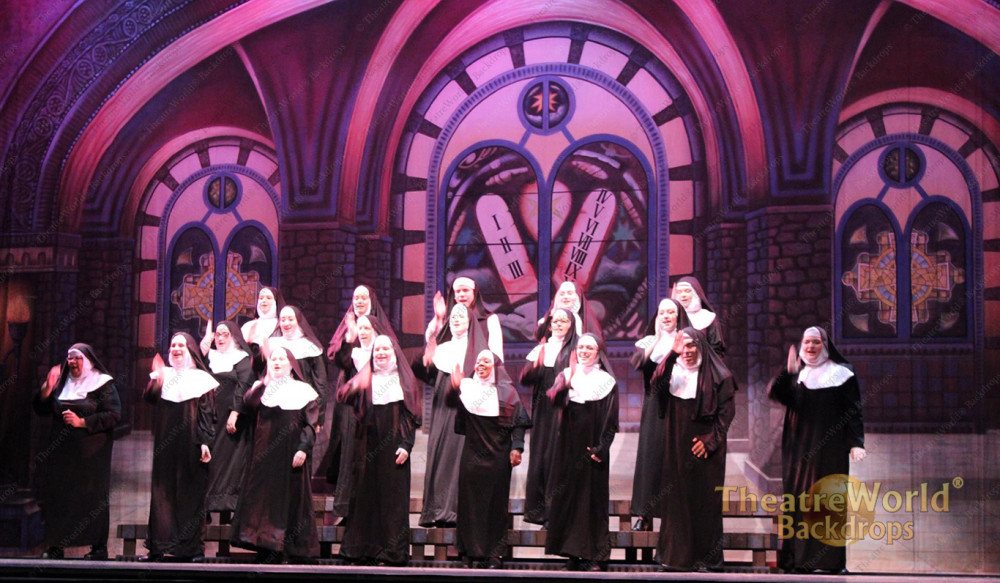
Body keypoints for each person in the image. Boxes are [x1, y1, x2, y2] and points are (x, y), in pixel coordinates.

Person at [768, 326, 865, 575]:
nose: (810, 347)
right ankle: (798, 560)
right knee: (799, 501)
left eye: (816, 342)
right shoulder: (798, 374)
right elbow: (777, 395)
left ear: (825, 345)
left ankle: (830, 561)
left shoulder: (842, 373)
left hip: (831, 449)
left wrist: (856, 442)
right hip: (798, 449)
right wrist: (787, 373)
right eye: (806, 342)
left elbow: (853, 411)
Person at [652, 327, 736, 572]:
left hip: (706, 448)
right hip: (676, 444)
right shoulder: (673, 372)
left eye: (692, 346)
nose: (687, 351)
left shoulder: (720, 375)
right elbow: (656, 384)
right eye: (683, 346)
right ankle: (675, 557)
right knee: (675, 500)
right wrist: (671, 354)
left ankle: (707, 560)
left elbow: (726, 414)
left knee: (704, 503)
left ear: (702, 347)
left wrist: (710, 442)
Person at [336, 335, 421, 566]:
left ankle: (391, 553)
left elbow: (411, 416)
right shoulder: (366, 379)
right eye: (377, 350)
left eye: (385, 349)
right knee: (364, 496)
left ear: (394, 352)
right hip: (365, 445)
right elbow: (342, 396)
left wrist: (406, 445)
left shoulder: (403, 380)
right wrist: (357, 383)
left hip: (394, 447)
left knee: (392, 500)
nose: (381, 353)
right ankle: (361, 550)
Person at [231, 347, 320, 563]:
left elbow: (310, 424)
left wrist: (303, 448)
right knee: (264, 500)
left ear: (291, 364)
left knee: (291, 499)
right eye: (273, 359)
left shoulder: (304, 390)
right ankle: (266, 546)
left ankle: (289, 548)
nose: (277, 362)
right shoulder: (261, 388)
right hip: (264, 454)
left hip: (291, 454)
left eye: (282, 359)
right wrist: (264, 384)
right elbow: (248, 407)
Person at [34, 343, 121, 560]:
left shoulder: (102, 383)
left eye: (77, 358)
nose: (72, 362)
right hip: (62, 454)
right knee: (59, 497)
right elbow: (41, 409)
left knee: (91, 499)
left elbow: (113, 415)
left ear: (88, 361)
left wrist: (82, 422)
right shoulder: (62, 382)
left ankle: (98, 547)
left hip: (92, 455)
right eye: (69, 358)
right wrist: (47, 388)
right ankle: (56, 545)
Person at [446, 349, 530, 569]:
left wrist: (517, 447)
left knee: (495, 505)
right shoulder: (468, 388)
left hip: (499, 457)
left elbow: (520, 422)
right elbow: (454, 411)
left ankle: (494, 554)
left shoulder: (507, 392)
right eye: (478, 361)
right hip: (472, 456)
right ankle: (469, 552)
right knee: (469, 503)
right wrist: (455, 388)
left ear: (496, 367)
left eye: (486, 361)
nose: (480, 365)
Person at [544, 333, 618, 572]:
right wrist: (563, 385)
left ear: (598, 353)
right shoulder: (566, 375)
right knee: (569, 498)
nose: (584, 351)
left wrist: (602, 448)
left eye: (590, 348)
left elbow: (611, 421)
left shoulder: (606, 381)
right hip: (568, 448)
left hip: (593, 450)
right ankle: (572, 554)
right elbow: (553, 403)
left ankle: (594, 556)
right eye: (581, 347)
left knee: (592, 501)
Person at [143, 332, 218, 561]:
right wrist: (156, 381)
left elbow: (207, 414)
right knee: (162, 494)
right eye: (173, 345)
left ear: (190, 350)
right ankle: (159, 546)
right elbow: (149, 398)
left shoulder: (202, 379)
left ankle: (191, 549)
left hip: (192, 445)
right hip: (165, 445)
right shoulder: (163, 375)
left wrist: (205, 443)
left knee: (191, 495)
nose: (175, 349)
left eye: (181, 345)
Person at [411, 303, 486, 527]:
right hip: (443, 411)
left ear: (471, 321)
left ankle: (459, 511)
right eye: (453, 316)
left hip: (469, 412)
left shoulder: (479, 352)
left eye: (461, 316)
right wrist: (425, 359)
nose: (456, 319)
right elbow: (424, 374)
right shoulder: (443, 350)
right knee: (441, 455)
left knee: (463, 458)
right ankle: (437, 510)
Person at [323, 284, 394, 517]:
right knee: (349, 451)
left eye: (364, 297)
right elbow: (337, 358)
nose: (360, 301)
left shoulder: (381, 333)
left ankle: (369, 509)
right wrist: (349, 338)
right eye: (356, 297)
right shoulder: (349, 328)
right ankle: (346, 508)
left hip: (376, 395)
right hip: (351, 398)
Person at [629, 298, 691, 531]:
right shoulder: (648, 342)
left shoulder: (687, 339)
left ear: (678, 316)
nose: (665, 316)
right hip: (655, 404)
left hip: (679, 400)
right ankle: (645, 514)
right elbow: (637, 363)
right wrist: (656, 341)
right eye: (662, 312)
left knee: (676, 457)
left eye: (670, 312)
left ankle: (675, 516)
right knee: (651, 456)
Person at [519, 307, 578, 525]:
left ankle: (557, 514)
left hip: (566, 411)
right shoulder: (541, 348)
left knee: (559, 458)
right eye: (555, 321)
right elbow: (525, 380)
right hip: (543, 412)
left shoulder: (576, 348)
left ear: (571, 325)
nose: (559, 324)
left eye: (564, 321)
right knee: (541, 456)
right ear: (550, 325)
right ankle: (539, 512)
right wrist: (535, 366)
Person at [200, 320, 255, 517]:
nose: (220, 338)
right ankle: (205, 507)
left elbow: (244, 384)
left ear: (234, 337)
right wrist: (203, 350)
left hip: (231, 418)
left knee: (230, 461)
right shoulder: (210, 356)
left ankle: (227, 509)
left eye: (225, 334)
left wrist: (235, 411)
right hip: (209, 415)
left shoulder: (241, 358)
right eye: (218, 334)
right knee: (208, 459)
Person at [267, 305, 328, 427]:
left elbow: (320, 383)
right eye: (283, 319)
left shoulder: (310, 347)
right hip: (276, 407)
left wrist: (319, 416)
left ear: (299, 322)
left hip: (303, 407)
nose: (286, 323)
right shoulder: (273, 344)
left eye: (290, 319)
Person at [426, 276, 503, 360]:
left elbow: (497, 354)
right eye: (458, 291)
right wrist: (438, 318)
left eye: (465, 290)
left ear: (474, 293)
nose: (461, 294)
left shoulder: (490, 319)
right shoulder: (449, 320)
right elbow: (431, 342)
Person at [672, 276, 725, 356]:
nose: (683, 295)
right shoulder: (673, 318)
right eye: (679, 292)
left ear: (695, 293)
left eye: (687, 291)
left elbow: (717, 347)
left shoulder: (708, 317)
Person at [533, 280, 601, 340]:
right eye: (562, 294)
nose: (565, 297)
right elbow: (540, 337)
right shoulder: (550, 317)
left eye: (570, 293)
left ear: (578, 296)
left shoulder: (586, 320)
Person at [241, 286, 285, 376]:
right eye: (261, 298)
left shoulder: (282, 326)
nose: (264, 301)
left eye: (268, 298)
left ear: (276, 302)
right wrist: (247, 343)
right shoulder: (248, 327)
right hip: (249, 376)